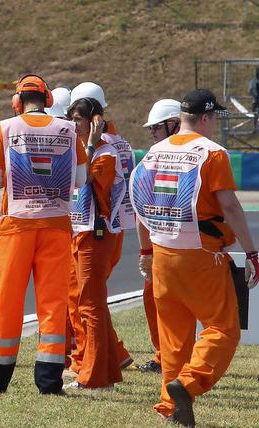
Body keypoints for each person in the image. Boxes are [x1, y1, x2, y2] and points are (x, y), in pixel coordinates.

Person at [130, 88, 259, 426]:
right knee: (224, 329)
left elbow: (139, 207)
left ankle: (169, 409)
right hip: (200, 255)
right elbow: (229, 205)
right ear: (206, 117)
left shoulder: (153, 154)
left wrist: (146, 250)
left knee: (174, 339)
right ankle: (186, 385)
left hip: (162, 254)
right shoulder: (212, 154)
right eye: (214, 117)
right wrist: (252, 251)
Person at [0, 74, 88, 394]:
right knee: (54, 304)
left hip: (17, 226)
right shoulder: (69, 130)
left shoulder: (5, 128)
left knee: (6, 302)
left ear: (17, 102)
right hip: (56, 226)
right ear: (48, 101)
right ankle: (48, 382)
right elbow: (81, 180)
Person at [65, 81, 134, 378]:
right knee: (89, 302)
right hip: (83, 232)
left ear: (94, 120)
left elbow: (86, 180)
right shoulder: (83, 149)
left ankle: (92, 375)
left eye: (76, 119)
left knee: (90, 305)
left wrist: (90, 142)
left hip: (98, 233)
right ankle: (110, 365)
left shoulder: (105, 153)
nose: (71, 125)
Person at [134, 98, 182, 375]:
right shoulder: (153, 156)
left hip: (181, 243)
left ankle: (174, 356)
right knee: (153, 298)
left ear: (174, 124)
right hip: (160, 241)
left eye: (157, 127)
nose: (152, 132)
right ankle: (164, 355)